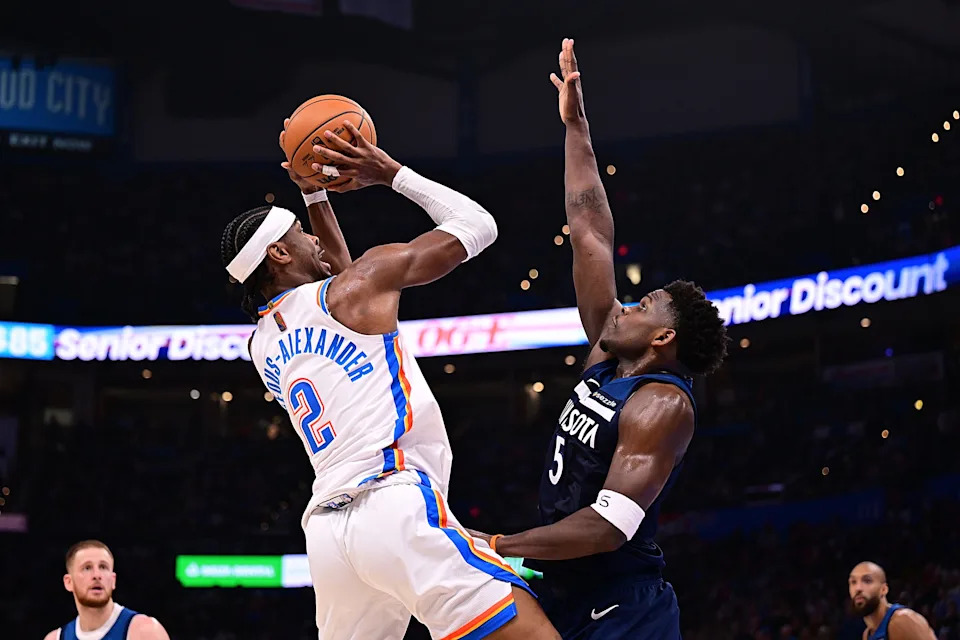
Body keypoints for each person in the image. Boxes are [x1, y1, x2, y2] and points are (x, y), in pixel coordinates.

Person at [219, 123, 560, 640]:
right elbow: (478, 224)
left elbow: (342, 275)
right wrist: (390, 172)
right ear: (280, 255)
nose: (313, 236)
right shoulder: (355, 289)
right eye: (298, 235)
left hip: (329, 535)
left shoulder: (262, 341)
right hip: (391, 498)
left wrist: (314, 195)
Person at [469, 39, 729, 639]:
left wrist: (501, 544)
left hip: (624, 605)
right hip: (564, 588)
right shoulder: (606, 355)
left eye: (641, 306)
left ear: (663, 337)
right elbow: (588, 226)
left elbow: (608, 527)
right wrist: (576, 125)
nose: (625, 307)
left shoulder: (662, 403)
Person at [43, 540, 169, 640]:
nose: (97, 575)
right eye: (87, 568)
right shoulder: (56, 638)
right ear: (68, 582)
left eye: (103, 567)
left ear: (113, 580)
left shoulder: (145, 631)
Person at [848, 561, 936, 640]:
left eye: (867, 581)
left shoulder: (903, 620)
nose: (858, 588)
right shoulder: (867, 634)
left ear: (883, 589)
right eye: (853, 582)